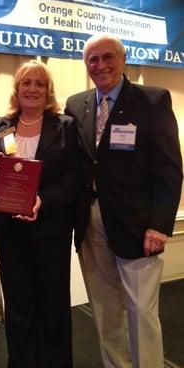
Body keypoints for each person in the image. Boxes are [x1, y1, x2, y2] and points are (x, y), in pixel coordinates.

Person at [65, 34, 183, 368]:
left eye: (107, 57)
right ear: (86, 65)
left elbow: (169, 170)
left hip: (138, 223)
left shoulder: (152, 100)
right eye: (93, 60)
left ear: (123, 59)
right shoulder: (77, 104)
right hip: (89, 220)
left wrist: (159, 226)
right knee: (103, 308)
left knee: (141, 310)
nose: (100, 66)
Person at [0, 60, 79, 368]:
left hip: (51, 228)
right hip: (9, 229)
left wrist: (43, 201)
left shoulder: (64, 125)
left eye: (39, 84)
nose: (32, 89)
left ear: (48, 90)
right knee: (18, 304)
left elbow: (72, 180)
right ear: (17, 89)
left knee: (52, 303)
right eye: (26, 82)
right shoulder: (2, 126)